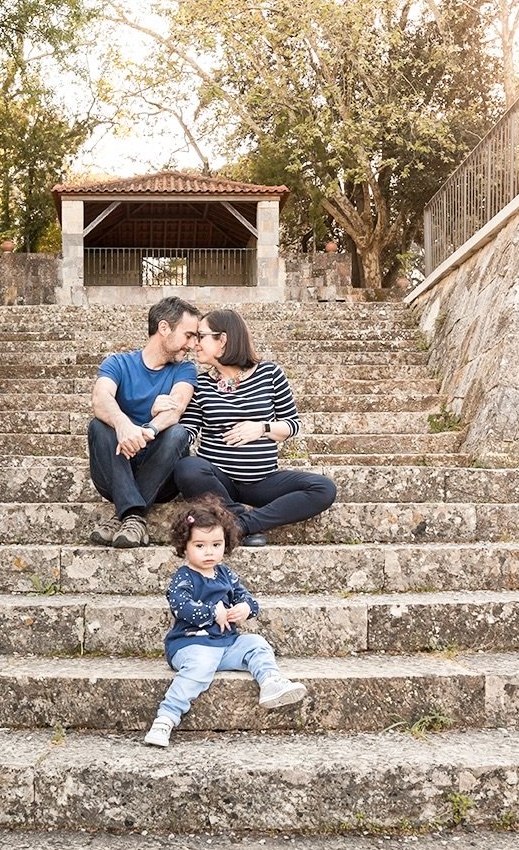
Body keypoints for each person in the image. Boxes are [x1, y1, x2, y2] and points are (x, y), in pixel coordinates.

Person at [143, 495, 308, 748]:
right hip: (190, 646)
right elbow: (181, 607)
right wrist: (211, 612)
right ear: (184, 546)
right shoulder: (183, 578)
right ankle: (166, 717)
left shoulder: (226, 574)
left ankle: (270, 682)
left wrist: (244, 608)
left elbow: (249, 600)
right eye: (200, 545)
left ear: (226, 544)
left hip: (227, 644)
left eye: (216, 544)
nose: (209, 552)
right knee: (200, 666)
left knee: (256, 643)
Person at [172, 307, 336, 547]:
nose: (195, 344)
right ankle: (235, 516)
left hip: (261, 482)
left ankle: (242, 524)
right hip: (217, 481)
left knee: (323, 488)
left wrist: (262, 428)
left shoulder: (270, 374)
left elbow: (292, 424)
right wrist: (168, 413)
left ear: (223, 340)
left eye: (202, 336)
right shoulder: (201, 383)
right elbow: (188, 431)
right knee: (187, 467)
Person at [88, 295, 200, 549]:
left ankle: (124, 515)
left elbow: (176, 408)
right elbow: (100, 397)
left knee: (178, 433)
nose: (193, 344)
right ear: (164, 328)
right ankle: (134, 517)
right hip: (116, 469)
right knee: (99, 425)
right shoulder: (118, 363)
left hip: (163, 475)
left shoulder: (184, 370)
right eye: (189, 335)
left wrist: (148, 429)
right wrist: (123, 425)